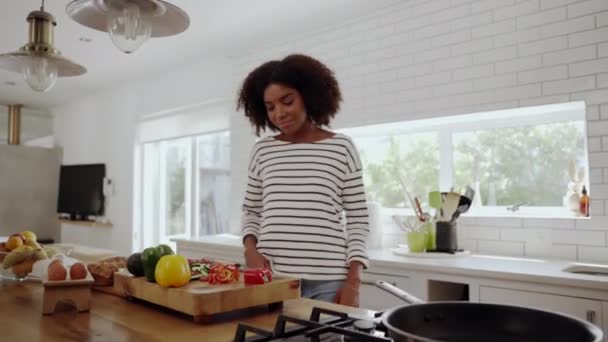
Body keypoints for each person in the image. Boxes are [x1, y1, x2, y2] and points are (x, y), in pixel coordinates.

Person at [236, 54, 369, 307]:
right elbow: (251, 210)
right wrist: (250, 251)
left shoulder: (341, 147)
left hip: (329, 282)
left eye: (287, 101)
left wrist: (353, 282)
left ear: (308, 95)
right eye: (270, 107)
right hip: (273, 279)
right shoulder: (263, 150)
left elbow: (358, 218)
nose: (279, 113)